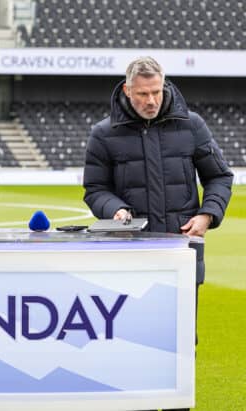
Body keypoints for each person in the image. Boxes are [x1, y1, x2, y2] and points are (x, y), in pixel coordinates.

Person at [83, 56, 233, 411]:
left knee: (181, 343)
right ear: (126, 90)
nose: (150, 101)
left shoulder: (192, 125)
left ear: (164, 86)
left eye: (155, 92)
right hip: (130, 257)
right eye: (141, 94)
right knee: (131, 342)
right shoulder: (103, 133)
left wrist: (208, 214)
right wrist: (113, 208)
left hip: (182, 254)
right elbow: (95, 190)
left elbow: (219, 177)